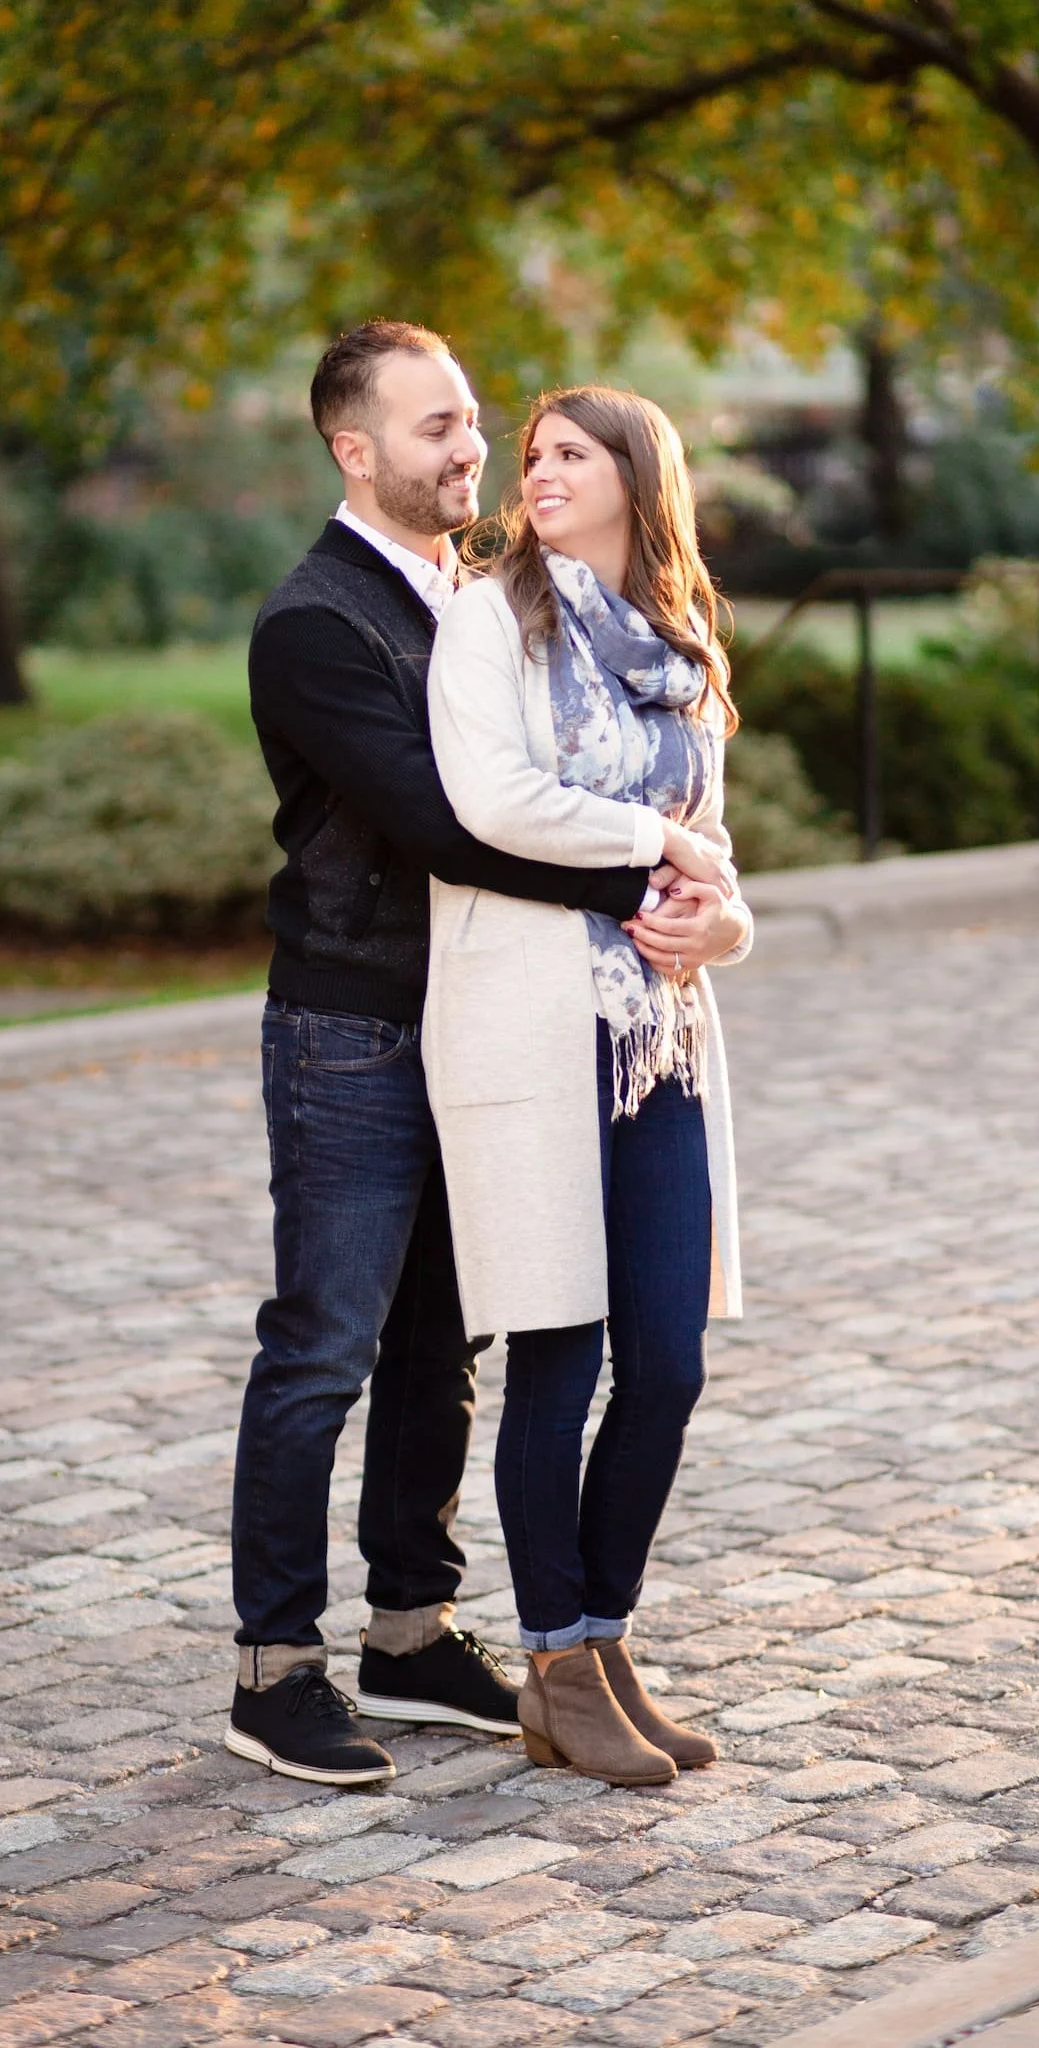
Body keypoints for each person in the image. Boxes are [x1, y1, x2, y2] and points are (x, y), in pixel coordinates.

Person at [227, 323, 743, 1787]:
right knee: (324, 1342)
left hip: (480, 1019)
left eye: (478, 428)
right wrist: (657, 877)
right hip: (351, 1024)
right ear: (354, 449)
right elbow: (452, 820)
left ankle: (411, 1626)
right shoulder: (318, 622)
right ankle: (274, 1668)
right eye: (440, 430)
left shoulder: (478, 594)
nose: (475, 453)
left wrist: (701, 905)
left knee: (445, 1343)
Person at [424, 386, 753, 1787]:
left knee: (666, 1362)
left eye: (569, 453)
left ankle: (604, 1642)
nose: (536, 472)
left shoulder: (680, 652)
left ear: (636, 476)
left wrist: (717, 919)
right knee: (557, 1356)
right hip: (524, 1027)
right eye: (532, 455)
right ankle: (555, 1665)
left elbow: (719, 856)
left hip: (655, 1038)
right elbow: (488, 801)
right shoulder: (486, 620)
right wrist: (655, 850)